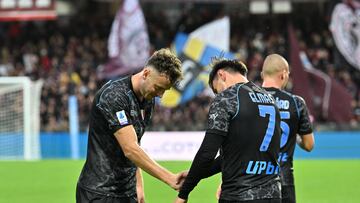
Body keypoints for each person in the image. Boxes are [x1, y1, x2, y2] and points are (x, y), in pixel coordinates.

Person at [76, 48, 187, 203]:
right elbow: (130, 149)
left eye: (165, 90)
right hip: (99, 193)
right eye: (159, 87)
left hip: (127, 193)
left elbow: (136, 142)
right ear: (146, 74)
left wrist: (139, 186)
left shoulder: (147, 98)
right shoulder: (114, 95)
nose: (161, 95)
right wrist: (170, 178)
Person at [174, 58, 282, 203]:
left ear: (221, 75)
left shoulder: (227, 98)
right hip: (273, 194)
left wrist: (183, 193)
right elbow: (235, 155)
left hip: (239, 195)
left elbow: (207, 152)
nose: (218, 94)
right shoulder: (270, 99)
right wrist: (196, 173)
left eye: (216, 89)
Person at [261, 54, 314, 203]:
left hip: (252, 181)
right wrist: (296, 137)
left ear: (262, 74)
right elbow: (309, 145)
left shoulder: (248, 99)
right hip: (284, 180)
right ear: (284, 74)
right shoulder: (296, 103)